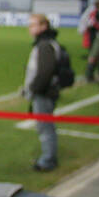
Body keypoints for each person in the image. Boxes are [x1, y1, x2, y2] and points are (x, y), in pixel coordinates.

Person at [22, 12, 62, 172]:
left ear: (43, 26)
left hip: (44, 93)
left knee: (45, 127)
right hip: (45, 92)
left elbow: (45, 72)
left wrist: (33, 89)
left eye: (33, 24)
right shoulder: (45, 43)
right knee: (45, 126)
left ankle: (48, 160)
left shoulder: (45, 45)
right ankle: (48, 157)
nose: (30, 28)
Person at [77, 0, 99, 82]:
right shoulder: (94, 11)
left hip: (91, 34)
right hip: (92, 35)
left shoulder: (93, 10)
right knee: (94, 54)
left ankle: (92, 74)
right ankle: (90, 75)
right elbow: (92, 22)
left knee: (94, 54)